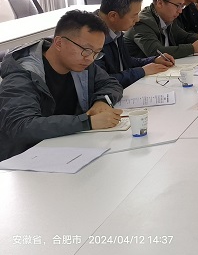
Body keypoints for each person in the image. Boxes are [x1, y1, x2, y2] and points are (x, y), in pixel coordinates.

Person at [0, 10, 124, 161]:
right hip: (26, 159)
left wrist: (101, 101)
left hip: (69, 147)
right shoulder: (23, 75)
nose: (91, 58)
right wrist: (87, 122)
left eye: (96, 53)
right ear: (59, 43)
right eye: (86, 50)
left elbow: (110, 83)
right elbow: (20, 126)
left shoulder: (81, 63)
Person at [94, 0, 175, 88]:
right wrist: (142, 71)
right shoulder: (93, 38)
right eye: (134, 15)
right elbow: (102, 81)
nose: (137, 20)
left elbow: (126, 61)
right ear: (113, 16)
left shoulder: (116, 31)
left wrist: (153, 60)